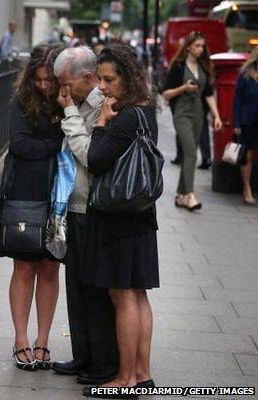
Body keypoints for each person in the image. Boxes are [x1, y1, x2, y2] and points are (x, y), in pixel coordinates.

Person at [80, 44, 160, 398]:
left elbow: (95, 160)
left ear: (126, 78)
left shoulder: (123, 117)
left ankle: (125, 378)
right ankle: (142, 372)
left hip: (116, 215)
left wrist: (100, 123)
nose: (103, 87)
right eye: (100, 78)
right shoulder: (147, 110)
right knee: (138, 294)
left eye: (109, 79)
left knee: (123, 295)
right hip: (140, 213)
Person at [0, 43, 64, 371]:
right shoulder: (23, 99)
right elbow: (18, 144)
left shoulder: (69, 98)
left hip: (59, 192)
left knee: (51, 266)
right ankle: (21, 339)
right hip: (25, 189)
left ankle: (43, 341)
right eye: (39, 79)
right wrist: (56, 144)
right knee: (24, 266)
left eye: (50, 79)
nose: (45, 85)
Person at [51, 46, 119, 385]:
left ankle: (104, 361)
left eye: (67, 83)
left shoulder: (100, 106)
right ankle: (84, 355)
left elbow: (87, 153)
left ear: (88, 78)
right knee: (76, 286)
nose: (63, 91)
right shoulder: (77, 103)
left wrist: (69, 113)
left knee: (94, 289)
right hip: (72, 205)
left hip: (92, 206)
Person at [162, 31, 222, 211]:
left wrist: (217, 115)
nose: (200, 49)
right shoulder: (178, 67)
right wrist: (184, 87)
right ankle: (189, 195)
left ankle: (180, 196)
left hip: (198, 114)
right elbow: (165, 93)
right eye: (197, 46)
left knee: (190, 155)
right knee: (191, 154)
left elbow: (209, 94)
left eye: (202, 46)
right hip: (181, 114)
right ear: (188, 47)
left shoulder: (204, 67)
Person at [233, 46, 258, 205]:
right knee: (247, 155)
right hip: (248, 120)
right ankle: (247, 187)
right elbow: (237, 101)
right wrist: (236, 123)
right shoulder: (245, 75)